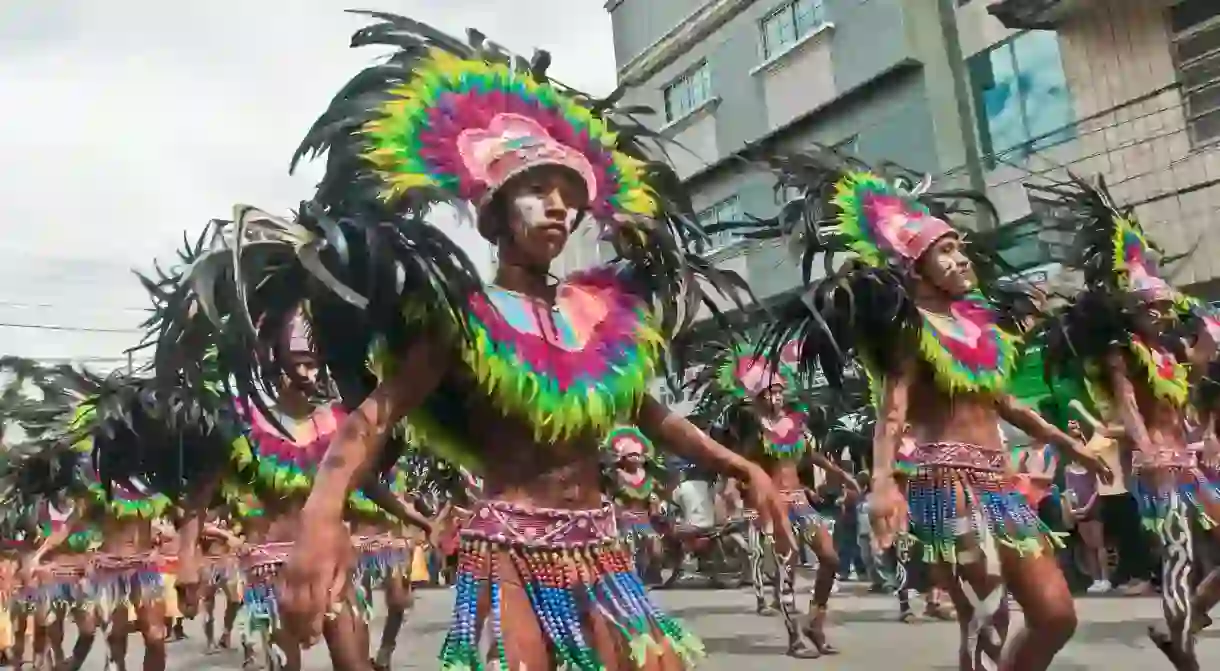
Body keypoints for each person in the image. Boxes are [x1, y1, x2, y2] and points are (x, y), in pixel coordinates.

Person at [162, 13, 796, 671]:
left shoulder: (600, 315)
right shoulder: (463, 318)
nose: (557, 206)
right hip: (511, 551)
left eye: (568, 196)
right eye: (537, 191)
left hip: (605, 551)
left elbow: (653, 414)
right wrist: (322, 516)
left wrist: (739, 465)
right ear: (494, 213)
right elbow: (372, 418)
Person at [749, 146, 1112, 671]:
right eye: (945, 251)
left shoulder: (981, 331)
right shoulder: (910, 333)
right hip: (948, 484)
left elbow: (1006, 404)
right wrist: (881, 484)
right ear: (918, 270)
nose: (961, 258)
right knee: (988, 620)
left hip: (1001, 487)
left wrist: (1069, 442)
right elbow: (892, 414)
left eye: (960, 248)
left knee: (1056, 616)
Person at [1034, 174, 1220, 670]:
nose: (1160, 313)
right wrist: (1149, 453)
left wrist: (1196, 315)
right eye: (1151, 307)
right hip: (1155, 465)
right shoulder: (1122, 354)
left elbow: (1205, 361)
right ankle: (1184, 651)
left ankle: (1191, 618)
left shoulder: (1171, 351)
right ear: (1130, 311)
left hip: (1190, 463)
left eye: (1164, 306)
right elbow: (1129, 408)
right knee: (1178, 558)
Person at [690, 338, 856, 656]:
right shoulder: (755, 432)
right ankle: (794, 636)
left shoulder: (795, 424)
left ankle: (815, 623)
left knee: (831, 558)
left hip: (800, 501)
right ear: (758, 397)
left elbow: (811, 455)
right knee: (786, 565)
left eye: (779, 391)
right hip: (773, 503)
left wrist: (844, 475)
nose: (777, 397)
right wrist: (732, 492)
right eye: (770, 392)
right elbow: (742, 466)